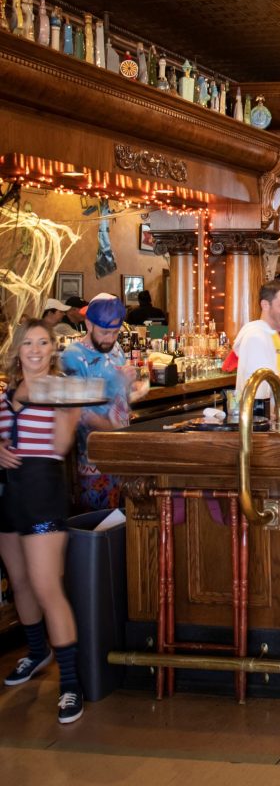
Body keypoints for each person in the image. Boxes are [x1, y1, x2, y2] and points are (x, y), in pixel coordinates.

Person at [0, 321, 84, 724]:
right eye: (28, 343)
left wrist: (68, 415)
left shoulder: (60, 389)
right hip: (9, 497)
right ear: (17, 349)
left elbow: (60, 446)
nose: (35, 349)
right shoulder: (5, 393)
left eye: (43, 342)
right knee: (19, 583)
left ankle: (70, 684)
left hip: (42, 495)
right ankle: (36, 653)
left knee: (47, 587)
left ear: (53, 348)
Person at [61, 294, 148, 510]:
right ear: (89, 324)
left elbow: (120, 397)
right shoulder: (72, 357)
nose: (110, 338)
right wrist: (117, 432)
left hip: (122, 455)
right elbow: (82, 414)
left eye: (115, 332)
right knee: (102, 525)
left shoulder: (116, 348)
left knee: (127, 525)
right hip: (95, 462)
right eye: (105, 332)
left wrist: (132, 387)